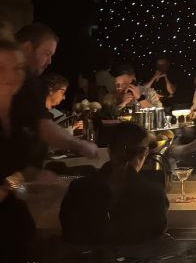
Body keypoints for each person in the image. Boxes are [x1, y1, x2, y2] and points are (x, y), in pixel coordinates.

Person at [60, 122, 168, 245]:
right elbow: (155, 242)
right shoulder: (153, 194)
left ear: (109, 149)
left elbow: (69, 234)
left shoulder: (78, 189)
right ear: (145, 153)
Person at [0, 39, 56, 261]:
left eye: (18, 69)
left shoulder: (16, 119)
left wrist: (26, 182)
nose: (12, 77)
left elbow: (14, 176)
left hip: (14, 226)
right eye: (1, 69)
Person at [14, 24, 98, 160]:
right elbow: (44, 127)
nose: (49, 61)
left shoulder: (32, 84)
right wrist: (80, 145)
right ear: (27, 48)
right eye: (46, 54)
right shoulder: (27, 85)